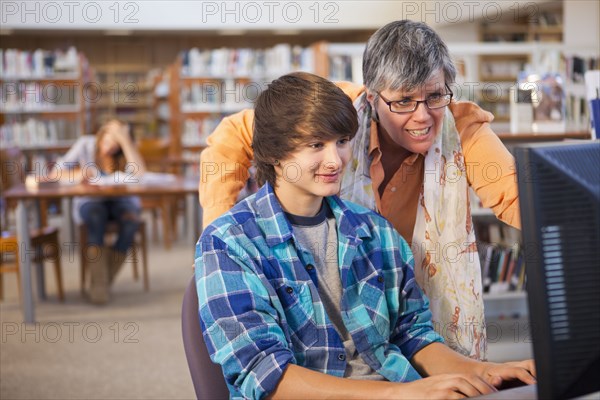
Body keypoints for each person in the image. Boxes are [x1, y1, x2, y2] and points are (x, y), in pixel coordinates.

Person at [195, 72, 535, 400]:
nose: (335, 160)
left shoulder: (375, 232)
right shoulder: (228, 242)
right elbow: (264, 375)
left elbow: (412, 334)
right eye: (316, 145)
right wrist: (400, 394)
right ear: (272, 153)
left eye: (341, 142)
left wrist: (483, 371)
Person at [53, 119, 147, 304]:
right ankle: (100, 284)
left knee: (131, 221)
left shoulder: (125, 151)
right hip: (92, 201)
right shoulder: (85, 145)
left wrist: (125, 141)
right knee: (96, 218)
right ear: (101, 134)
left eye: (116, 145)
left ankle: (101, 281)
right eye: (107, 142)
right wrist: (78, 175)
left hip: (121, 202)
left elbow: (141, 176)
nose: (109, 149)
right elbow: (56, 172)